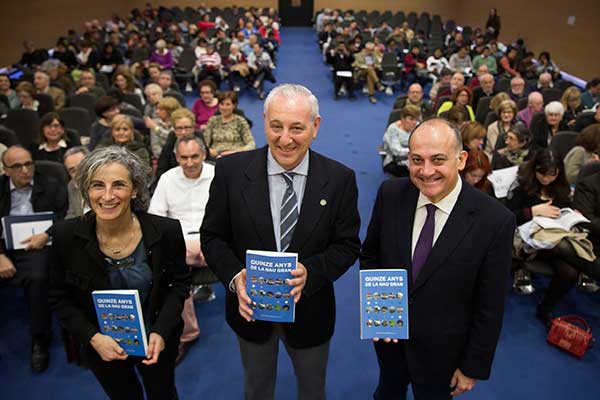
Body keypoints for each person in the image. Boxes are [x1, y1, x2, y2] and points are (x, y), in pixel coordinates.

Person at [200, 84, 360, 400]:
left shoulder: (340, 179)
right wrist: (235, 277)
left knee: (313, 390)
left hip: (311, 312)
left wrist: (311, 273)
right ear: (264, 122)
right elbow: (213, 237)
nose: (285, 139)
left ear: (316, 126)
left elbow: (347, 245)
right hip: (251, 313)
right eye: (276, 126)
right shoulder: (231, 172)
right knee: (257, 389)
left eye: (296, 128)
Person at [360, 118, 515, 399]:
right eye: (417, 160)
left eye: (438, 159)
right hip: (389, 338)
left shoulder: (495, 221)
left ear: (461, 159)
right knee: (388, 390)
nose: (426, 171)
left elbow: (490, 304)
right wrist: (380, 309)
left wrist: (472, 366)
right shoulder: (391, 193)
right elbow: (371, 254)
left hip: (444, 352)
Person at [48, 146, 190, 399]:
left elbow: (179, 285)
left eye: (119, 185)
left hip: (155, 340)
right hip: (102, 346)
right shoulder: (65, 236)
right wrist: (93, 338)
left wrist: (160, 331)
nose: (108, 196)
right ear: (86, 190)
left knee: (163, 393)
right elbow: (59, 297)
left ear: (135, 189)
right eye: (97, 185)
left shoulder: (166, 231)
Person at [506, 149, 600, 326]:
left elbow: (564, 212)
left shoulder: (561, 189)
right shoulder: (522, 186)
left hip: (553, 240)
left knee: (570, 272)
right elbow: (507, 217)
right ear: (535, 170)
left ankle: (546, 308)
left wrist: (571, 216)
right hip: (526, 241)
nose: (547, 179)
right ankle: (594, 269)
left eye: (552, 175)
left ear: (558, 173)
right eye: (542, 174)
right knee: (563, 245)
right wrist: (533, 212)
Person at [0, 146, 68, 372]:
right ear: (5, 170)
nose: (25, 170)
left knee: (38, 277)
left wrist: (47, 234)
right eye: (17, 166)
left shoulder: (49, 184)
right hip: (4, 246)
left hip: (38, 245)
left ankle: (40, 339)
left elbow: (64, 217)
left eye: (29, 164)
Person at [203, 91, 256, 159]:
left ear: (234, 105)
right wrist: (209, 151)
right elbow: (204, 143)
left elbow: (251, 144)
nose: (224, 107)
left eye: (228, 104)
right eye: (222, 104)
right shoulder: (213, 121)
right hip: (216, 157)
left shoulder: (240, 121)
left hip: (236, 156)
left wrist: (235, 152)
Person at [382, 105, 421, 177]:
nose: (414, 122)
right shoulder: (393, 129)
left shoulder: (417, 126)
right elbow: (396, 151)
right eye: (411, 119)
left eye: (416, 119)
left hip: (412, 158)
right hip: (394, 160)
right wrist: (415, 152)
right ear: (402, 118)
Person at [63, 146, 89, 219]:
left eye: (81, 166)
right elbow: (71, 214)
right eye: (72, 170)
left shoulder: (104, 184)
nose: (79, 173)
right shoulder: (71, 185)